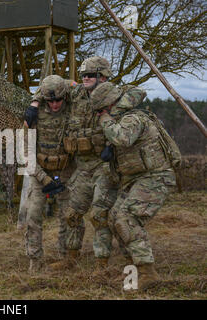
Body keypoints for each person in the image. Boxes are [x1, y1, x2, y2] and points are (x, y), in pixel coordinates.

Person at [91, 82, 180, 290]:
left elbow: (122, 138)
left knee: (126, 218)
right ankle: (132, 267)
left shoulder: (132, 119)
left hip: (156, 177)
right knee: (114, 217)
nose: (100, 115)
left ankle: (148, 272)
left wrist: (105, 120)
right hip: (136, 179)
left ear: (111, 105)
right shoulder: (118, 120)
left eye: (102, 111)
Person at [50, 56, 118, 271]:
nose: (86, 78)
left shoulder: (114, 95)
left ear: (104, 76)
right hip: (83, 167)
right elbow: (50, 85)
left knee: (99, 215)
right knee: (72, 214)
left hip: (104, 167)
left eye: (92, 75)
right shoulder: (77, 92)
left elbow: (136, 97)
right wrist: (34, 104)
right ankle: (71, 257)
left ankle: (102, 264)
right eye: (84, 75)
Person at [23, 75, 77, 273]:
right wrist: (44, 179)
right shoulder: (33, 116)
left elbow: (74, 83)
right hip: (40, 172)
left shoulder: (72, 107)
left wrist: (35, 98)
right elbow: (26, 152)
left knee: (69, 216)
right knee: (33, 215)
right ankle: (34, 259)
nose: (55, 104)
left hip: (66, 171)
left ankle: (66, 256)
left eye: (58, 100)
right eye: (50, 100)